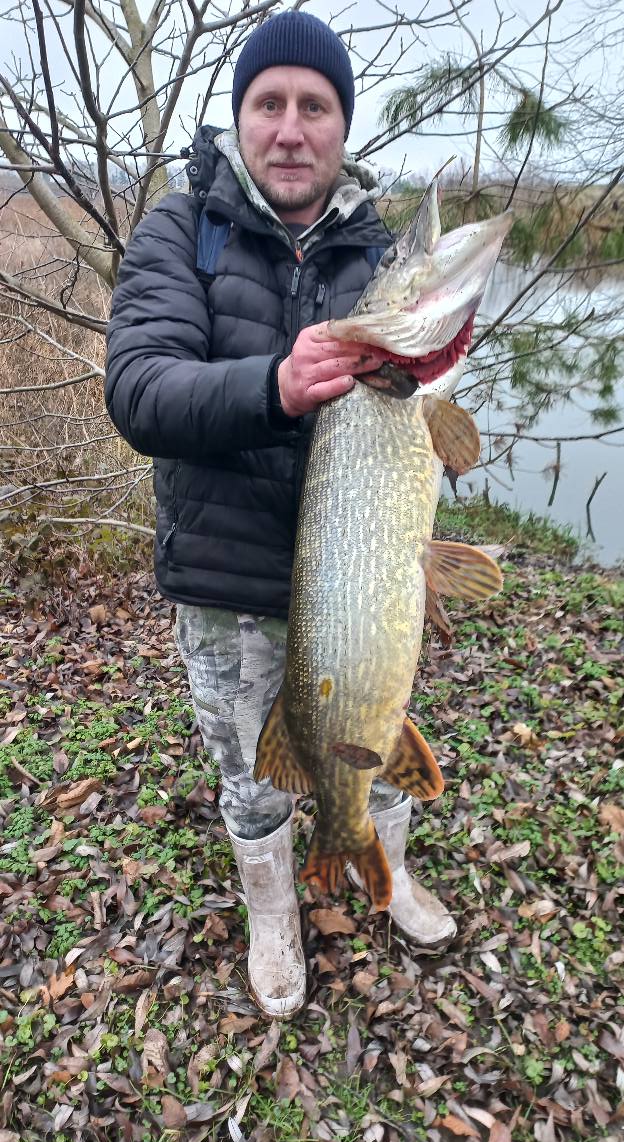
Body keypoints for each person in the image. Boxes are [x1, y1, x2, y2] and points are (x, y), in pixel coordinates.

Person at [105, 10, 456, 1020]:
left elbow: (431, 416)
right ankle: (272, 911)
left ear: (341, 126)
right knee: (253, 770)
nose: (292, 128)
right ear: (240, 118)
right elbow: (139, 389)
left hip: (366, 574)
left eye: (316, 106)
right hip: (229, 579)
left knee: (370, 738)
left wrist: (435, 378)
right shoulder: (185, 227)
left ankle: (376, 858)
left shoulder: (375, 247)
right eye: (271, 104)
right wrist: (274, 385)